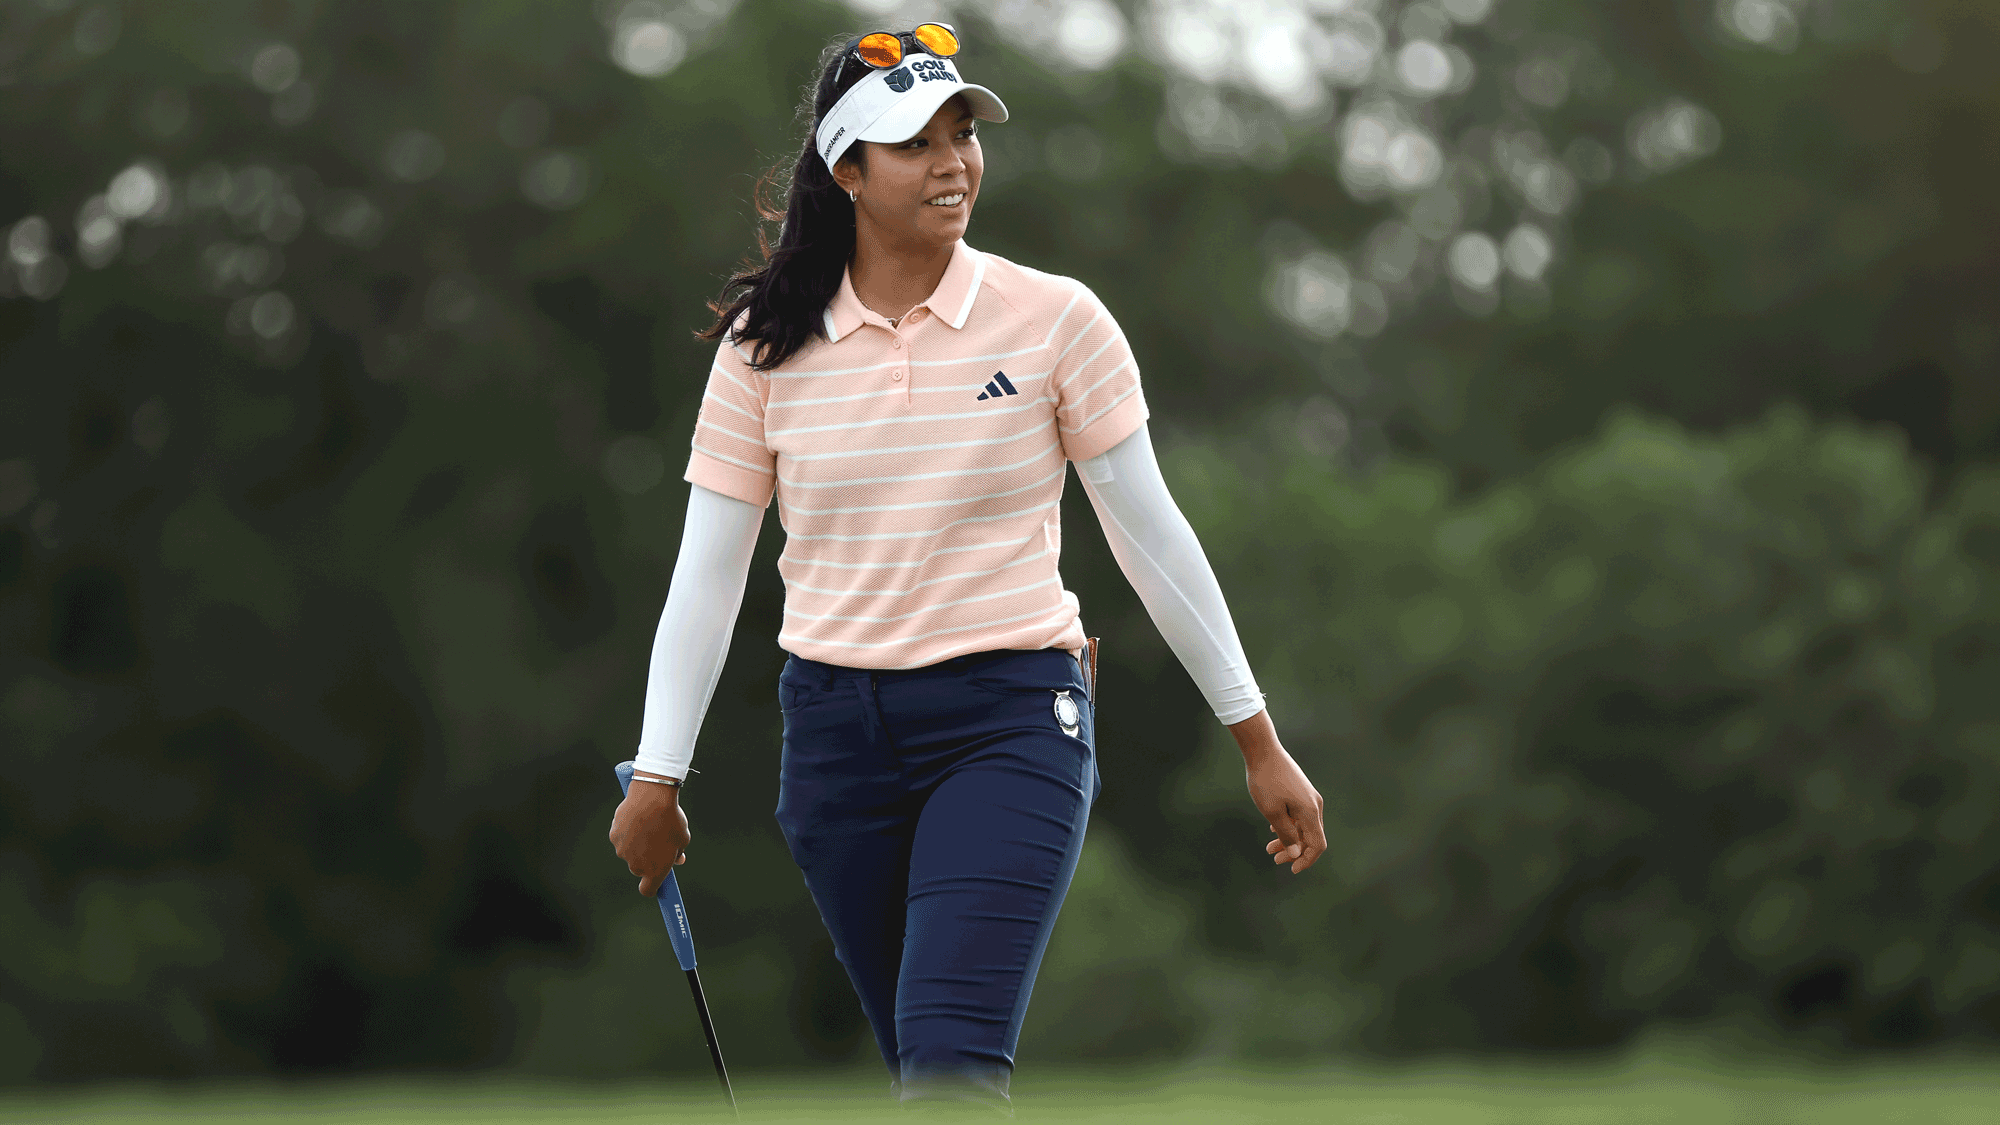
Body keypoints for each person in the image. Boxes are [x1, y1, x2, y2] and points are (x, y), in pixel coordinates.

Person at [608, 23, 1326, 1112]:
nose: (953, 163)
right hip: (834, 742)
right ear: (847, 170)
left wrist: (1256, 739)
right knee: (923, 1071)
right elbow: (707, 578)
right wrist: (660, 774)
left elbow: (1150, 538)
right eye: (916, 143)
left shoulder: (1056, 321)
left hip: (1009, 720)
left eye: (963, 135)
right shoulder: (764, 347)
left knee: (949, 1064)